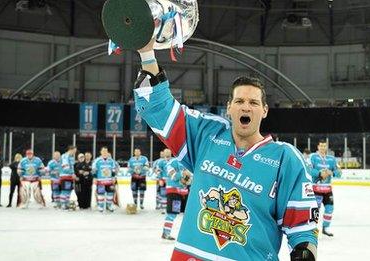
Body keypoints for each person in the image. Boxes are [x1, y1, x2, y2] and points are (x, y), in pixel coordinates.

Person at [132, 39, 318, 260]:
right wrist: (147, 53)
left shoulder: (285, 159)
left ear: (265, 110)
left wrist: (305, 253)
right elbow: (159, 108)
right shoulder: (206, 135)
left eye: (254, 102)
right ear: (229, 107)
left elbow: (303, 230)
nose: (246, 106)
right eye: (239, 101)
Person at [309, 140, 341, 237]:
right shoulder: (313, 157)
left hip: (327, 189)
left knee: (329, 209)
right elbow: (308, 169)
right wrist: (319, 173)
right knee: (315, 211)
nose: (323, 148)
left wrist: (333, 173)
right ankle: (312, 230)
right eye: (321, 146)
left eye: (324, 146)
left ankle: (325, 228)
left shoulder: (331, 159)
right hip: (316, 189)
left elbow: (338, 173)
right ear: (318, 147)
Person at [161, 156, 190, 240]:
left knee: (188, 214)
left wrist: (186, 178)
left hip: (184, 192)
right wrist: (183, 174)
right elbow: (173, 176)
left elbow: (189, 179)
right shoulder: (172, 162)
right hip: (174, 192)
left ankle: (188, 236)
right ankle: (166, 233)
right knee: (172, 213)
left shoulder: (188, 162)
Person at [92, 147, 119, 212]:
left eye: (106, 151)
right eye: (103, 151)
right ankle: (100, 206)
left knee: (110, 193)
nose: (105, 152)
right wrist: (95, 177)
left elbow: (113, 170)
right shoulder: (97, 160)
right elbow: (94, 170)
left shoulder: (111, 161)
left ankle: (109, 205)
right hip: (100, 181)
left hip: (109, 180)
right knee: (101, 193)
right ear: (101, 152)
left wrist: (113, 177)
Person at [59, 145, 77, 210]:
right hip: (65, 176)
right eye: (74, 151)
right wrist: (72, 173)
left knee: (68, 191)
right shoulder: (65, 156)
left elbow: (72, 167)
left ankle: (66, 203)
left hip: (69, 177)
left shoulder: (71, 157)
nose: (75, 153)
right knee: (65, 191)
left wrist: (73, 173)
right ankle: (63, 204)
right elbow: (65, 167)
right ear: (70, 150)